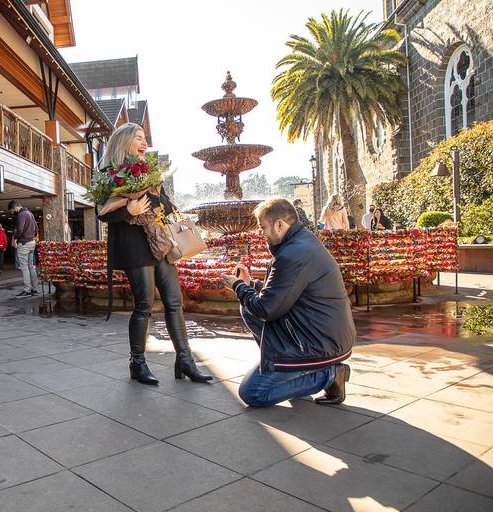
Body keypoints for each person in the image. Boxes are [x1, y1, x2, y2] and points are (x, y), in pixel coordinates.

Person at [97, 122, 211, 385]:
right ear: (124, 142)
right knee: (145, 305)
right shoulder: (109, 172)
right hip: (135, 247)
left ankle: (185, 360)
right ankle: (137, 363)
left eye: (144, 137)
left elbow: (166, 209)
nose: (143, 141)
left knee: (174, 302)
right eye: (138, 137)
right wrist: (129, 210)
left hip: (160, 243)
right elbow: (101, 211)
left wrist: (157, 193)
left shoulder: (149, 172)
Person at [221, 198, 356, 407]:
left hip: (318, 343)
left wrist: (239, 287)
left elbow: (266, 309)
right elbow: (284, 292)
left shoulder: (292, 254)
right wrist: (252, 285)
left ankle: (329, 374)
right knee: (247, 308)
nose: (261, 234)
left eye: (262, 227)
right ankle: (283, 367)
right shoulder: (302, 241)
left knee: (253, 393)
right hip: (319, 332)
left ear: (280, 225)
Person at [8, 200, 39, 297]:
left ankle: (27, 289)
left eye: (12, 211)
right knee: (31, 266)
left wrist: (16, 238)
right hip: (32, 242)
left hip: (24, 243)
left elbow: (20, 229)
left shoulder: (21, 215)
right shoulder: (30, 213)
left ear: (15, 207)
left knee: (24, 267)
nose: (13, 213)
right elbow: (36, 229)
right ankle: (34, 288)